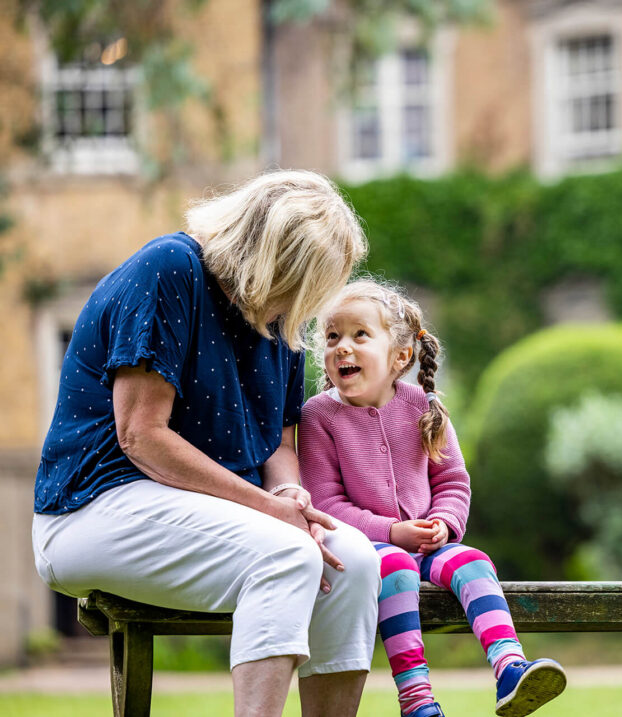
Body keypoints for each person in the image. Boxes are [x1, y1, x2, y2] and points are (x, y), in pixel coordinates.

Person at [31, 171, 382, 717]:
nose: (302, 305)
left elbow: (278, 445)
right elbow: (140, 436)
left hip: (213, 511)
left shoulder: (280, 320)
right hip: (93, 507)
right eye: (298, 283)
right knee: (287, 555)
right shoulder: (169, 271)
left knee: (354, 561)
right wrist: (270, 511)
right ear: (269, 258)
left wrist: (289, 494)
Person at [299, 279, 567, 717]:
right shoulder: (319, 417)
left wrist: (444, 522)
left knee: (474, 561)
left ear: (400, 356)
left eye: (359, 335)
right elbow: (325, 503)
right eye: (332, 337)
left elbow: (453, 481)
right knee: (396, 565)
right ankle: (417, 699)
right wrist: (390, 531)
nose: (341, 348)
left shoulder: (425, 408)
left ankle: (509, 667)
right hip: (371, 549)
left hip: (430, 543)